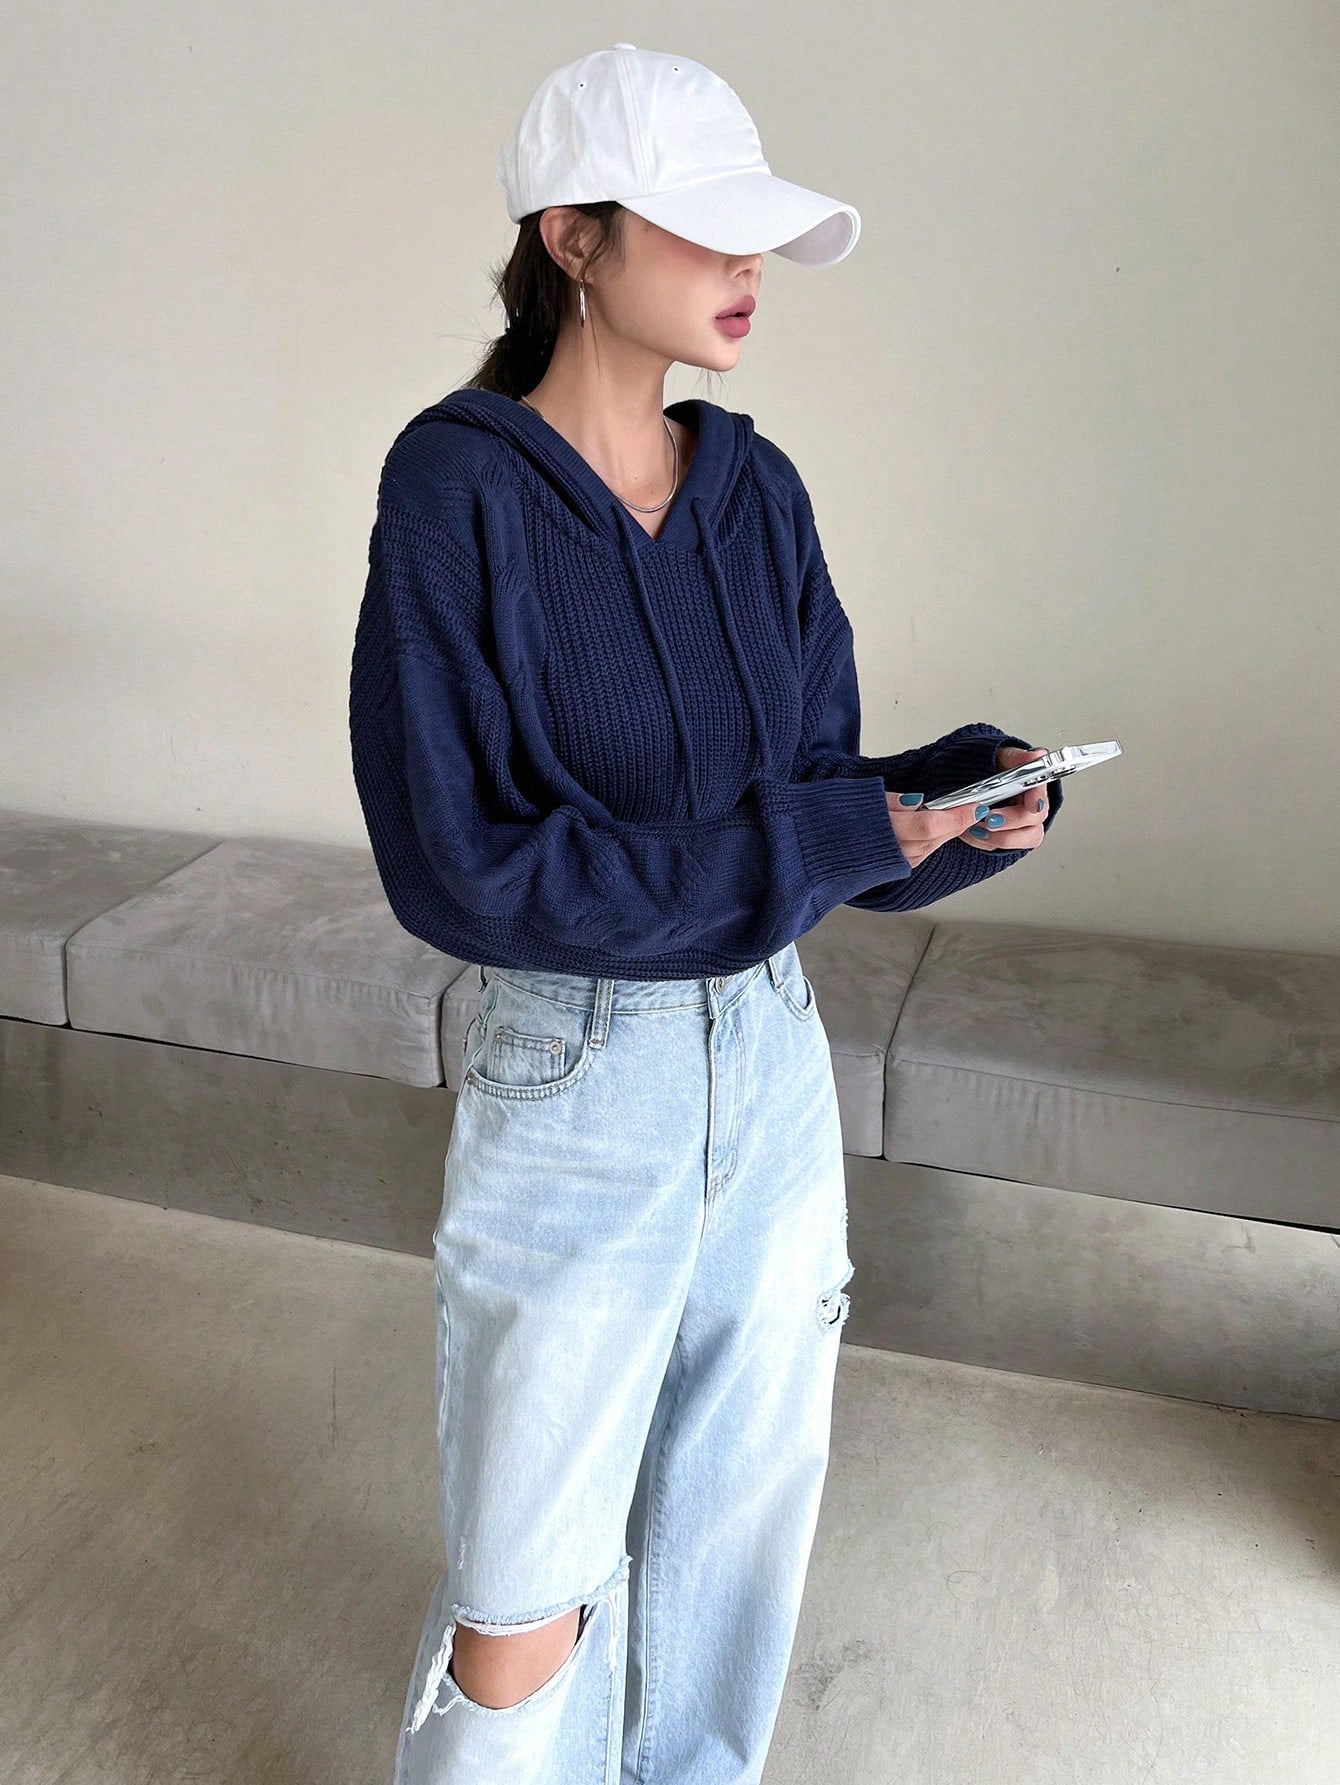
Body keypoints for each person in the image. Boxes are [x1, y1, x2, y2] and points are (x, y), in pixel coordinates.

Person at [349, 42, 1063, 1785]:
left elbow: (805, 802)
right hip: (575, 1085)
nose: (750, 265)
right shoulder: (457, 488)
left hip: (773, 1062)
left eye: (761, 232)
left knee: (732, 1543)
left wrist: (953, 804)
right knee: (529, 1584)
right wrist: (826, 829)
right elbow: (460, 863)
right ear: (572, 237)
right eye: (706, 225)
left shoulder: (760, 491)